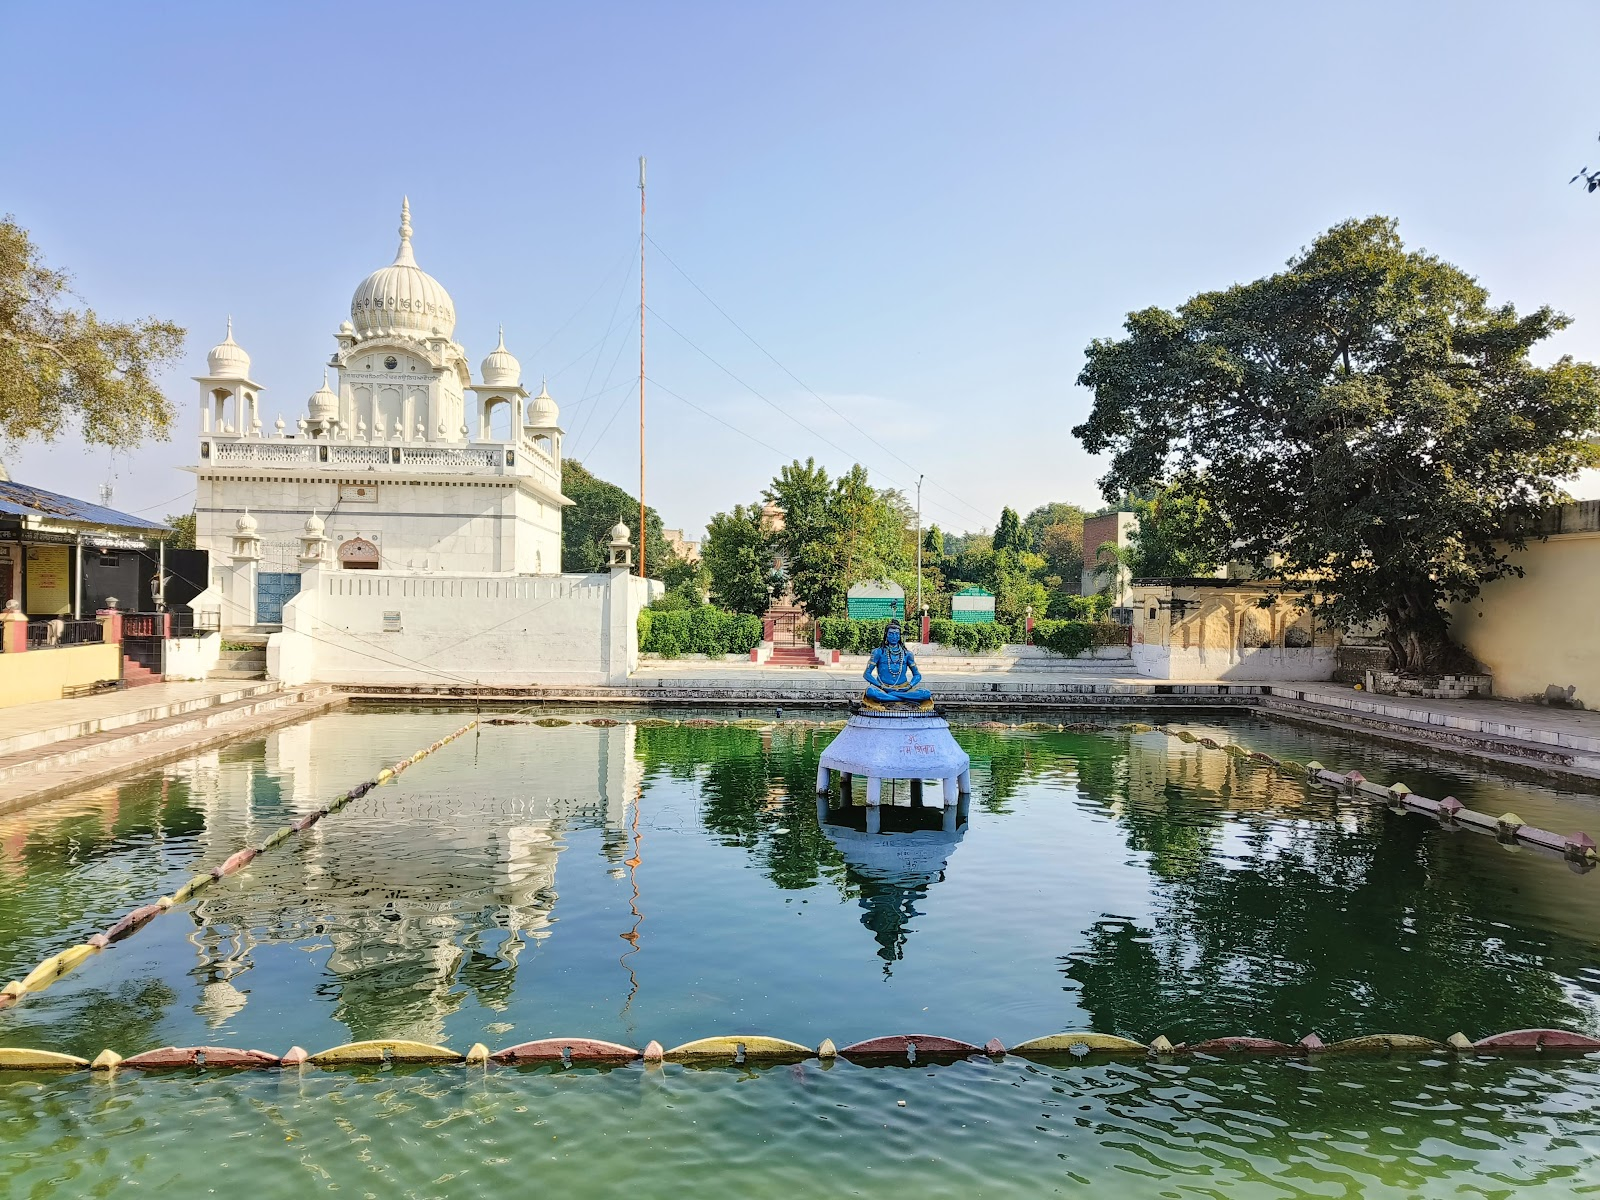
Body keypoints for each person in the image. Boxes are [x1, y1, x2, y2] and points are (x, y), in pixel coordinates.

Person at [862, 619, 932, 705]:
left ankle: (893, 696)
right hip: (883, 688)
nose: (894, 637)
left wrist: (909, 686)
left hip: (903, 688)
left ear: (899, 636)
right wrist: (881, 686)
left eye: (896, 634)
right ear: (886, 635)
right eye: (891, 634)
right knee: (871, 692)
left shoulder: (907, 654)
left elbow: (917, 675)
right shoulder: (878, 652)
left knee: (926, 693)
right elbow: (866, 674)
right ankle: (902, 698)